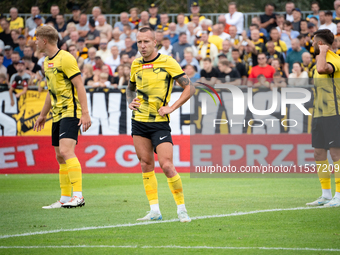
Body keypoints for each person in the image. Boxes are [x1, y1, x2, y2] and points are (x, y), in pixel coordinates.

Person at [127, 27, 193, 222]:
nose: (142, 45)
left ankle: (182, 209)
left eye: (146, 41)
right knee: (146, 164)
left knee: (167, 165)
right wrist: (130, 101)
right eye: (139, 42)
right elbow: (130, 89)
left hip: (159, 123)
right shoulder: (135, 63)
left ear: (154, 42)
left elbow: (190, 87)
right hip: (139, 122)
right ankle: (154, 210)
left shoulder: (167, 62)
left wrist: (172, 107)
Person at [33, 25, 91, 209]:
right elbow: (51, 91)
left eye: (36, 38)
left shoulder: (66, 58)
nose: (34, 42)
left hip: (70, 112)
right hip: (56, 114)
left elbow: (79, 86)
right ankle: (65, 198)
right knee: (59, 156)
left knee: (67, 152)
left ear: (44, 40)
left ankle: (78, 196)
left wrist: (85, 113)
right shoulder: (45, 62)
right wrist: (43, 115)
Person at [306, 29, 340, 207]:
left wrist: (325, 51)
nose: (311, 45)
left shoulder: (334, 59)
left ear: (320, 44)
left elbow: (322, 68)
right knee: (319, 153)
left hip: (334, 113)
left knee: (336, 154)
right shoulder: (319, 60)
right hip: (319, 113)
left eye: (314, 42)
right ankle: (326, 194)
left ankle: (339, 195)